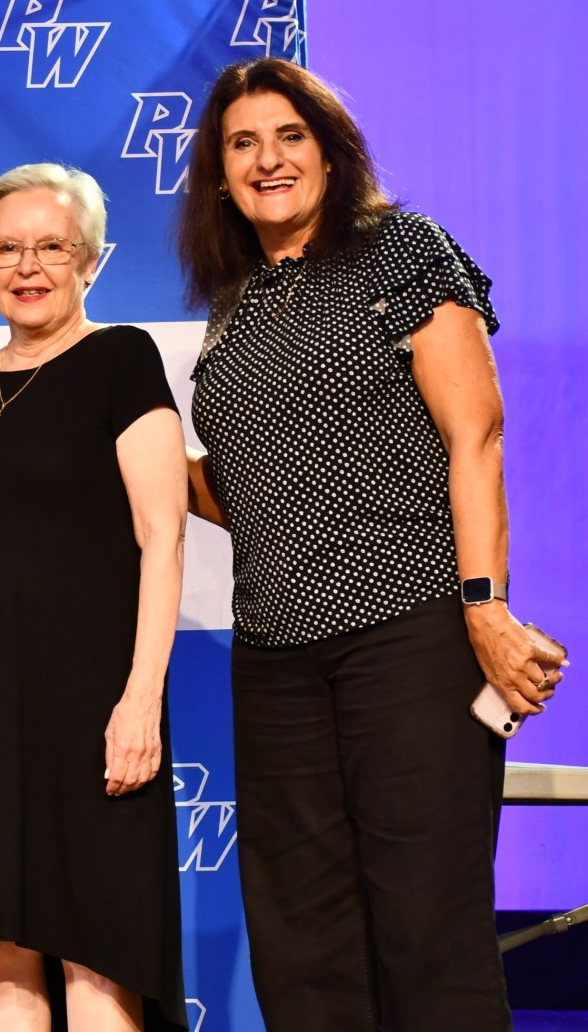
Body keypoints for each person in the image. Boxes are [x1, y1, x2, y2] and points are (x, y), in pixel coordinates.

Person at [176, 57, 568, 1032]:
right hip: (273, 657)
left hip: (410, 634)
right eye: (242, 143)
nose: (268, 159)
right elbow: (261, 490)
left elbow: (474, 432)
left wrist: (486, 608)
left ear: (330, 148)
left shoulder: (398, 249)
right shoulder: (234, 304)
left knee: (426, 925)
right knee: (301, 940)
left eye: (289, 135)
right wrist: (125, 453)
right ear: (218, 174)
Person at [0, 163, 189, 1032]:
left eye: (53, 246)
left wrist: (141, 700)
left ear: (90, 260)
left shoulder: (123, 359)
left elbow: (162, 536)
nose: (28, 265)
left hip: (92, 703)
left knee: (97, 959)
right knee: (0, 960)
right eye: (8, 247)